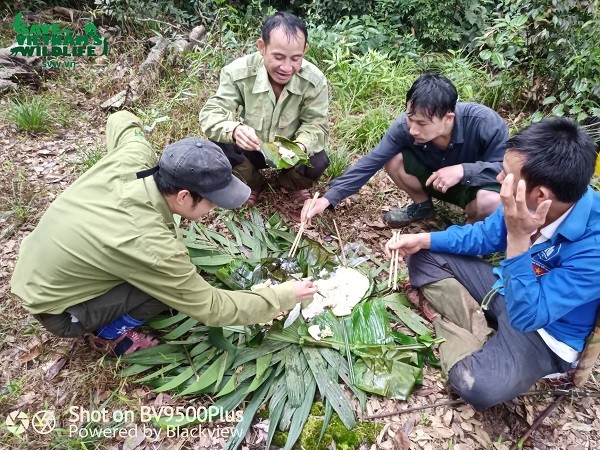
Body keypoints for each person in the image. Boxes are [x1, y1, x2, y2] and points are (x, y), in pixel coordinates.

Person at [10, 111, 317, 356]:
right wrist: (284, 295)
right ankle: (109, 335)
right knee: (160, 292)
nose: (214, 208)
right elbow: (212, 308)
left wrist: (134, 130)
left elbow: (121, 119)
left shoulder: (134, 157)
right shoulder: (150, 245)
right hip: (57, 309)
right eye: (212, 201)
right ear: (183, 196)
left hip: (41, 266)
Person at [384, 118, 600, 410]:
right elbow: (484, 236)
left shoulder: (594, 247)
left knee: (474, 384)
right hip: (504, 287)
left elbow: (527, 316)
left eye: (507, 175)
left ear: (540, 196)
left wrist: (519, 238)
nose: (498, 178)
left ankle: (468, 332)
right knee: (423, 255)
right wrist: (424, 240)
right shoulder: (526, 198)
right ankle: (481, 329)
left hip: (545, 331)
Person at [302, 73, 508, 227]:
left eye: (422, 123)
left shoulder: (484, 123)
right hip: (432, 181)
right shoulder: (404, 127)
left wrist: (464, 170)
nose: (413, 129)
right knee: (392, 158)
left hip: (473, 188)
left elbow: (506, 170)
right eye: (410, 118)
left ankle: (470, 232)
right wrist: (328, 198)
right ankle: (422, 206)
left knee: (490, 202)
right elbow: (371, 161)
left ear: (448, 118)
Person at [199, 11, 329, 221]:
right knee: (220, 145)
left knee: (318, 158)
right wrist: (235, 130)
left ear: (305, 50)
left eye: (296, 58)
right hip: (252, 148)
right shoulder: (237, 72)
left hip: (289, 152)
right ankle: (252, 182)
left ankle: (291, 182)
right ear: (262, 47)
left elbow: (316, 124)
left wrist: (301, 146)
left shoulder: (314, 80)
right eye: (278, 57)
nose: (287, 67)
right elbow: (211, 113)